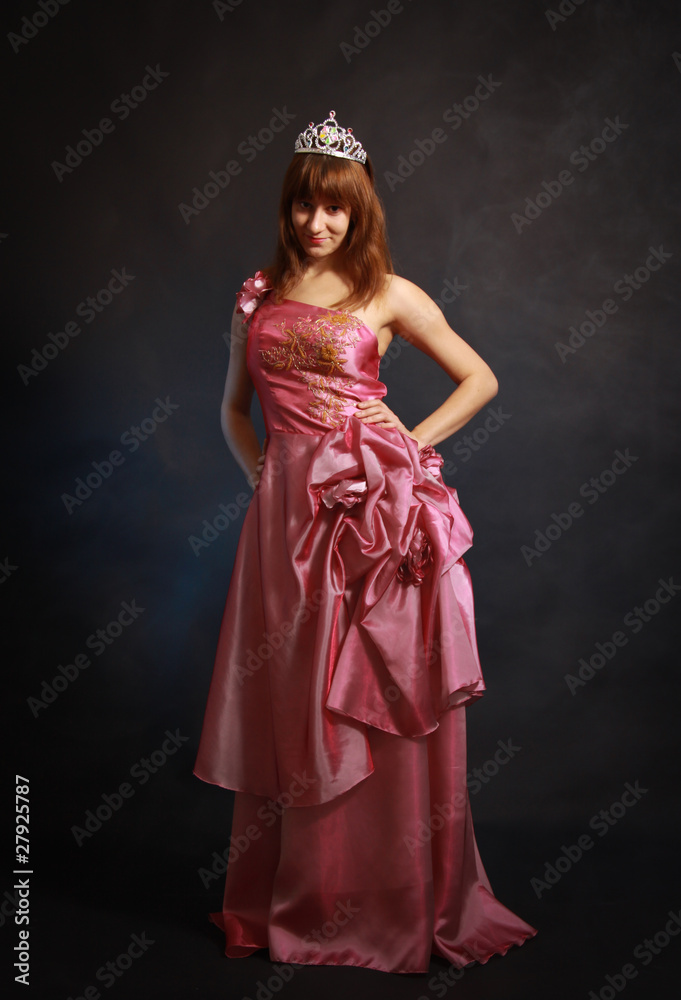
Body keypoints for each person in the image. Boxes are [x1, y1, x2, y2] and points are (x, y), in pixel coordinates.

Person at [194, 110, 536, 975]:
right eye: (305, 205)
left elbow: (480, 377)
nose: (318, 222)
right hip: (284, 523)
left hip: (371, 518)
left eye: (336, 208)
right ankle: (302, 892)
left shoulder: (388, 292)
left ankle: (384, 899)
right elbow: (232, 408)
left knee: (367, 689)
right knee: (298, 696)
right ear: (288, 206)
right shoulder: (257, 296)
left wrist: (410, 442)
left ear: (359, 211)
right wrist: (263, 474)